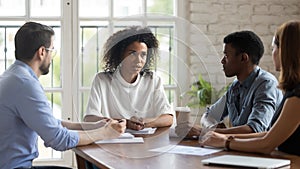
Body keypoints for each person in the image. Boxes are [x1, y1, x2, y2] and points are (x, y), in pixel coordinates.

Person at [0, 22, 126, 169]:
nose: (52, 57)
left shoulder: (12, 76)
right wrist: (104, 133)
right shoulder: (25, 85)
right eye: (52, 50)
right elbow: (59, 139)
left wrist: (94, 126)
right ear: (42, 52)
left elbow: (50, 123)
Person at [200, 20, 300, 156]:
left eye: (274, 48)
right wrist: (219, 136)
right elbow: (269, 135)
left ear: (286, 51)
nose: (273, 54)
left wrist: (224, 141)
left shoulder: (295, 95)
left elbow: (266, 143)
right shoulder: (293, 91)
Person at [176, 30, 283, 138]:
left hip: (262, 153)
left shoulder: (266, 84)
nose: (222, 61)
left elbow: (254, 130)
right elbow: (208, 116)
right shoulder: (235, 86)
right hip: (238, 150)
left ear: (243, 58)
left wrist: (204, 132)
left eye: (226, 56)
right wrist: (211, 128)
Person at [83, 26, 174, 130]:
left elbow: (168, 118)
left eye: (143, 55)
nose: (138, 60)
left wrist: (143, 123)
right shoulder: (102, 80)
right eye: (132, 54)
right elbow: (90, 118)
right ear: (120, 55)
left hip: (147, 141)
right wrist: (125, 123)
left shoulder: (153, 79)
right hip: (114, 141)